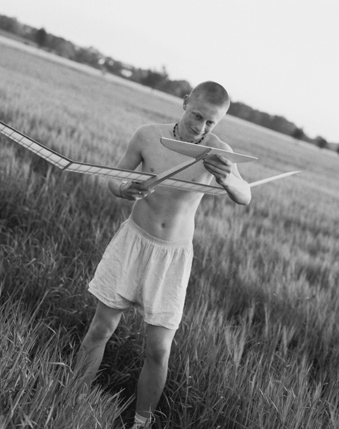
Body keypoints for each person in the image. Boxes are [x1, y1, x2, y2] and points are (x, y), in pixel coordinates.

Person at [74, 81, 251, 428]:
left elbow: (244, 195)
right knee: (100, 329)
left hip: (173, 257)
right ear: (185, 102)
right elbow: (115, 177)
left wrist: (229, 179)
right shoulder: (147, 135)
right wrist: (125, 188)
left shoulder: (219, 151)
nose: (200, 127)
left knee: (158, 350)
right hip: (133, 242)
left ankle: (141, 422)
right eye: (196, 115)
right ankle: (73, 396)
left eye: (211, 122)